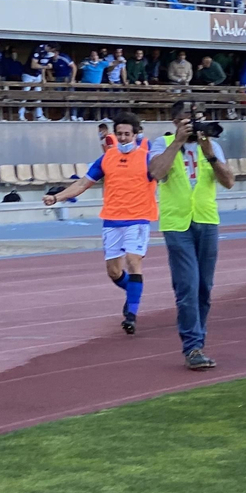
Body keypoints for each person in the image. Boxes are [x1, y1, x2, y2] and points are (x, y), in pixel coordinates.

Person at [44, 112, 158, 335]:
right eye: (120, 134)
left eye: (127, 134)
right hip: (112, 219)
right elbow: (83, 183)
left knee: (133, 261)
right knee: (114, 272)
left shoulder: (147, 156)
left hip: (138, 218)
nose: (123, 138)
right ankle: (134, 291)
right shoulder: (107, 158)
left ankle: (131, 315)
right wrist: (57, 197)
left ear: (136, 134)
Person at [150, 104, 234, 369]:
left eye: (197, 120)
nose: (194, 125)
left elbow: (229, 181)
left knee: (204, 288)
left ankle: (198, 340)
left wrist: (209, 153)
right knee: (187, 285)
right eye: (187, 121)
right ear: (176, 122)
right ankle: (193, 346)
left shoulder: (210, 145)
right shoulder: (161, 143)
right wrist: (177, 142)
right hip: (177, 224)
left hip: (207, 221)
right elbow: (155, 172)